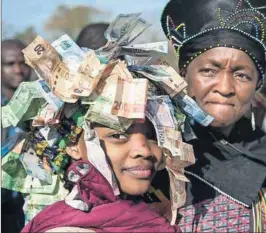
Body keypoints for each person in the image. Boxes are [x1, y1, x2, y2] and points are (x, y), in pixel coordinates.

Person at [152, 0, 266, 232]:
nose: (225, 87)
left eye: (241, 75)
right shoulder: (153, 157)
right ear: (183, 76)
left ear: (256, 86)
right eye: (208, 71)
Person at [2, 33, 184, 233]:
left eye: (152, 136)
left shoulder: (159, 207)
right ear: (72, 144)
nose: (144, 150)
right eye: (118, 135)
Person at [1, 39, 32, 233]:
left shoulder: (44, 105)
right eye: (10, 64)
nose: (18, 70)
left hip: (31, 205)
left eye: (23, 63)